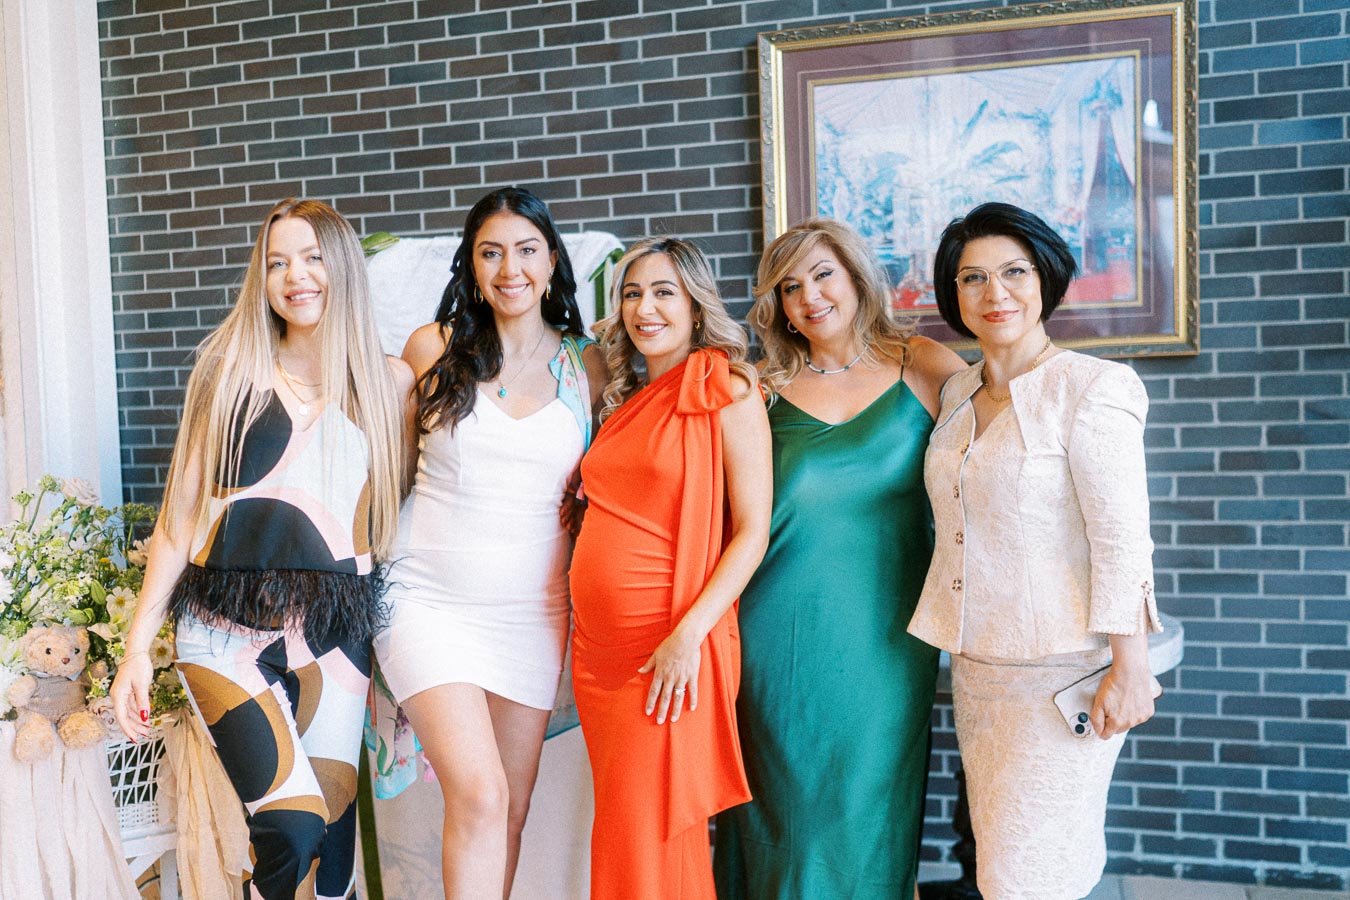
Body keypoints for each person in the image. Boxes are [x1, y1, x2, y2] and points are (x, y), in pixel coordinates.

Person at [110, 198, 413, 900]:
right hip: (224, 631)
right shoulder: (228, 375)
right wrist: (133, 650)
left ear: (341, 267)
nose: (294, 276)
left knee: (330, 865)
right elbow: (179, 522)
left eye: (311, 258)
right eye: (277, 262)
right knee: (294, 826)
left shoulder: (387, 383)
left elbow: (391, 525)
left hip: (335, 641)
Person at [908, 201, 1162, 900]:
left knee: (1032, 874)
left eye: (1014, 272)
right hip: (978, 663)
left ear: (1045, 278)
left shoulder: (1094, 389)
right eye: (974, 278)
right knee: (1001, 861)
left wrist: (1130, 667)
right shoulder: (959, 391)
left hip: (1060, 670)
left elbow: (1121, 538)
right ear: (952, 294)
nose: (996, 294)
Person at [712, 218, 967, 899]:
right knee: (787, 825)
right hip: (774, 645)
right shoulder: (757, 389)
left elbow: (1002, 466)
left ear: (855, 275)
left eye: (822, 275)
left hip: (887, 642)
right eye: (789, 287)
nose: (809, 298)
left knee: (864, 814)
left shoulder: (926, 367)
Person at [370, 187, 606, 898]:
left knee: (511, 807)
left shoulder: (585, 365)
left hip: (532, 612)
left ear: (552, 259)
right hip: (426, 599)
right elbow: (387, 471)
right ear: (472, 268)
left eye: (527, 249)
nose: (510, 268)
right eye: (491, 252)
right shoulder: (432, 348)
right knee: (478, 795)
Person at [569, 237, 772, 899]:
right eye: (632, 293)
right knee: (637, 829)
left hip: (667, 646)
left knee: (645, 828)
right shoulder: (623, 398)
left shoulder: (727, 387)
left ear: (694, 304)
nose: (645, 308)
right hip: (599, 653)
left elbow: (751, 533)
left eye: (663, 292)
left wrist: (688, 637)